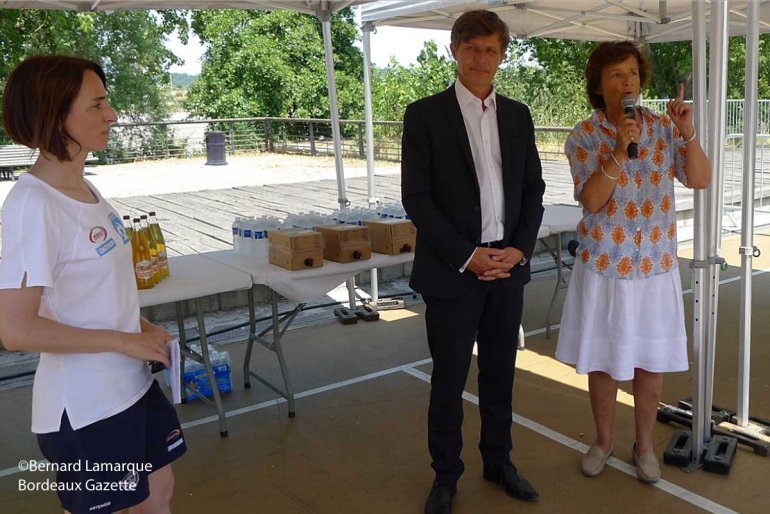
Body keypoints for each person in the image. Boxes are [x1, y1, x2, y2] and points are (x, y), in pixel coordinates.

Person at [0, 55, 186, 514]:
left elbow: (94, 295)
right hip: (86, 407)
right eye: (97, 104)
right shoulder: (32, 206)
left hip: (132, 384)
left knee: (158, 495)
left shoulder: (85, 190)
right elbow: (16, 330)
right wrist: (123, 341)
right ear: (54, 116)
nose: (113, 115)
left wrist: (140, 328)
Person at [401, 10, 545, 514]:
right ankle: (446, 476)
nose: (482, 59)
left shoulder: (518, 115)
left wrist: (519, 249)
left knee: (500, 375)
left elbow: (533, 190)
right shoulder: (425, 115)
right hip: (453, 272)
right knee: (449, 379)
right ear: (455, 51)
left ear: (502, 55)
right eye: (472, 48)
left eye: (491, 50)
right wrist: (467, 256)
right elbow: (417, 199)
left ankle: (499, 462)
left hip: (507, 266)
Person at [555, 41, 710, 484]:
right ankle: (603, 441)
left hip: (655, 266)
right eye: (616, 75)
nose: (628, 83)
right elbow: (591, 200)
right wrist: (620, 152)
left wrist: (688, 132)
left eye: (633, 74)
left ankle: (644, 447)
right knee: (604, 362)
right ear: (598, 84)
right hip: (606, 267)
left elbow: (699, 179)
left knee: (649, 362)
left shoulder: (662, 127)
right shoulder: (584, 136)